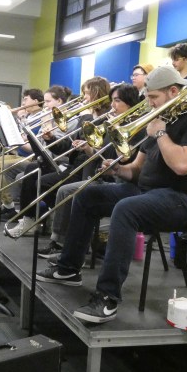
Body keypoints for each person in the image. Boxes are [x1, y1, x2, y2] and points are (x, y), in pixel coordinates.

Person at [36, 66, 187, 324]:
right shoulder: (161, 118)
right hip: (149, 191)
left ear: (174, 91)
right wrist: (119, 169)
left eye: (153, 97)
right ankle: (69, 268)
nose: (149, 103)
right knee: (87, 196)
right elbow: (137, 170)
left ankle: (107, 298)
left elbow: (182, 165)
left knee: (126, 209)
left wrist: (159, 133)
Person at [37, 83, 141, 258]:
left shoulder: (135, 126)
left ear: (129, 103)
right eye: (112, 101)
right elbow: (101, 154)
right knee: (61, 189)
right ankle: (63, 243)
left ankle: (71, 247)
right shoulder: (108, 122)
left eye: (117, 101)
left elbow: (126, 160)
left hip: (118, 179)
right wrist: (86, 148)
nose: (113, 106)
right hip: (98, 173)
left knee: (68, 191)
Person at [6, 77, 111, 238]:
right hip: (72, 164)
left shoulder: (104, 119)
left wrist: (86, 143)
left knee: (43, 181)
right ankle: (31, 220)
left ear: (98, 94)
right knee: (32, 170)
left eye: (87, 93)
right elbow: (67, 147)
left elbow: (101, 152)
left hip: (85, 169)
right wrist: (50, 139)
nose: (84, 98)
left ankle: (53, 222)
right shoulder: (84, 117)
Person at [0, 88, 44, 216]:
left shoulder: (42, 118)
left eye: (25, 99)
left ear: (36, 101)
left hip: (32, 157)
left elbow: (35, 147)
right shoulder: (27, 116)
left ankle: (9, 206)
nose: (22, 103)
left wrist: (19, 134)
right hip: (18, 154)